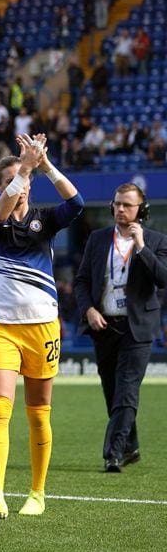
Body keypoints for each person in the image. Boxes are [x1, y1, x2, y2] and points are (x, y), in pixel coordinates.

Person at [0, 135, 84, 518]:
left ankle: (37, 494)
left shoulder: (46, 219)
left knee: (38, 412)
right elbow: (2, 213)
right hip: (1, 327)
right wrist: (24, 167)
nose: (16, 187)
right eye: (8, 181)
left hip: (41, 326)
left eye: (20, 180)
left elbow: (76, 203)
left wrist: (45, 166)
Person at [73, 182, 167, 473]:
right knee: (113, 392)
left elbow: (163, 278)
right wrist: (88, 309)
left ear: (142, 210)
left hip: (137, 328)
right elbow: (82, 281)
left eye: (127, 205)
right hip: (104, 327)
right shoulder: (98, 239)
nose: (121, 209)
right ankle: (131, 447)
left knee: (126, 389)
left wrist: (141, 247)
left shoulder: (156, 240)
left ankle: (112, 453)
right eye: (117, 204)